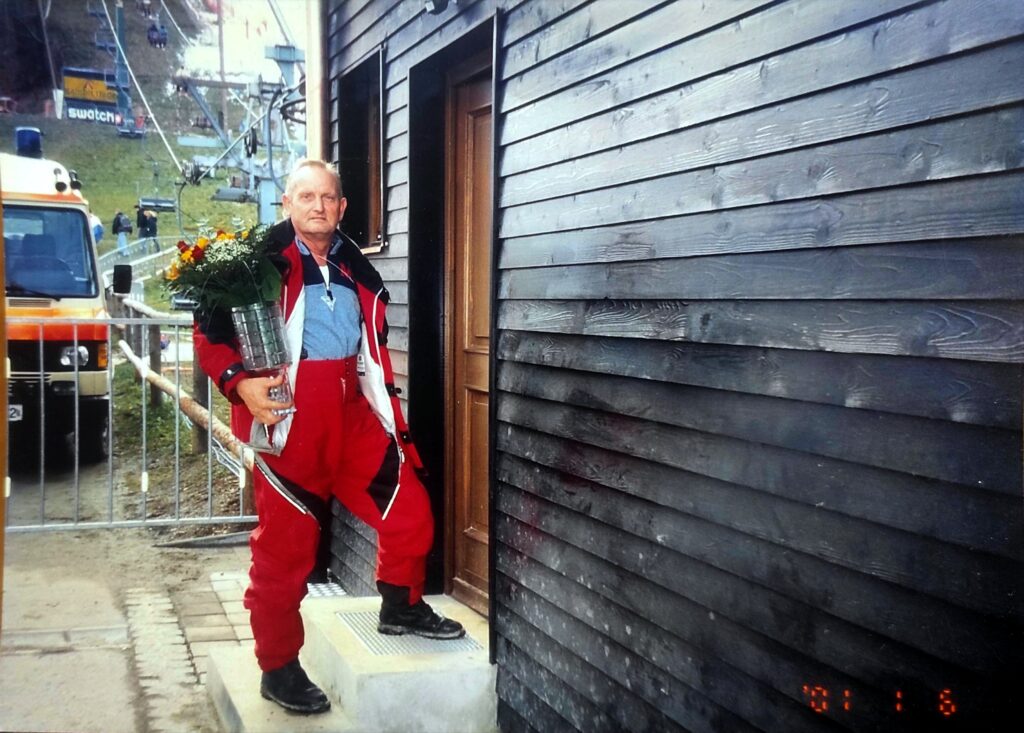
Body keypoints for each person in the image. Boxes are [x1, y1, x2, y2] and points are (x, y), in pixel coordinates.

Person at [194, 159, 464, 716]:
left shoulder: (353, 267)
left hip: (351, 412)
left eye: (329, 198)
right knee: (284, 551)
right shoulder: (254, 263)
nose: (319, 206)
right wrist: (238, 385)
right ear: (287, 205)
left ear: (342, 208)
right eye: (307, 196)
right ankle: (278, 666)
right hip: (288, 420)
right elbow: (210, 338)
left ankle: (401, 604)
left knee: (408, 504)